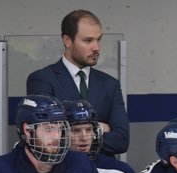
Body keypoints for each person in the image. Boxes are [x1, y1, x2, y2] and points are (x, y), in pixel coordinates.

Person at [26, 9, 129, 157]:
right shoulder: (42, 79)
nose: (96, 48)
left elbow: (122, 141)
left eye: (98, 39)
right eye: (88, 41)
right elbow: (47, 137)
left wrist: (71, 130)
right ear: (68, 41)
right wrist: (100, 127)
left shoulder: (110, 84)